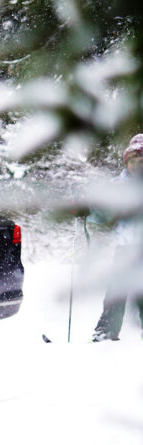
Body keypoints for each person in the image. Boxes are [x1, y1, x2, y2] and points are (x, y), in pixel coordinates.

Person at [91, 133, 143, 342]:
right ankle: (106, 332)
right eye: (133, 161)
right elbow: (100, 215)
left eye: (141, 162)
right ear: (127, 162)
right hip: (125, 248)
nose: (137, 166)